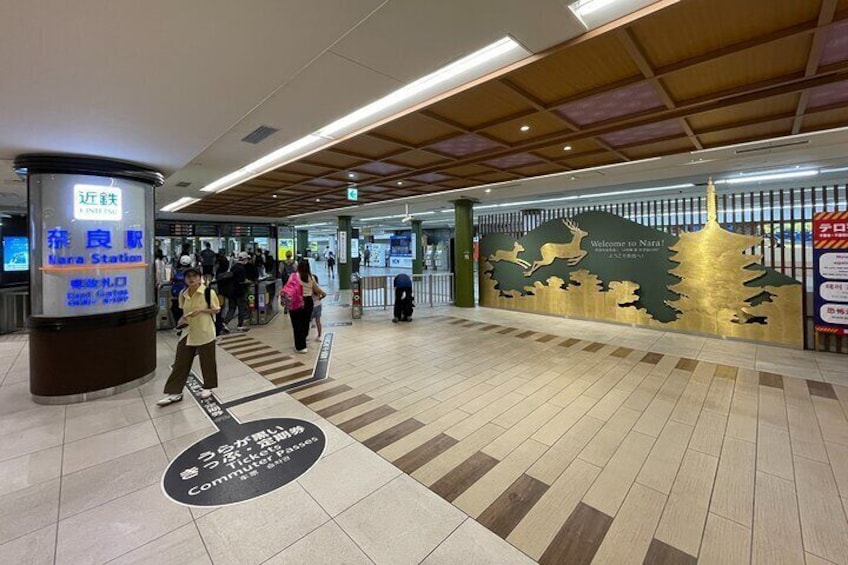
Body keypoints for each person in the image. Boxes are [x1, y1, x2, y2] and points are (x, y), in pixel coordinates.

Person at [157, 267, 221, 406]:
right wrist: (182, 320)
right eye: (188, 277)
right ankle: (175, 392)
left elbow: (216, 309)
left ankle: (208, 386)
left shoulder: (208, 292)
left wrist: (201, 310)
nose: (191, 279)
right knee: (181, 361)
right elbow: (184, 311)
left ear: (200, 278)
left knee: (207, 361)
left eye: (195, 276)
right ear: (185, 279)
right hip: (188, 332)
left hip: (205, 330)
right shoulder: (183, 294)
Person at [287, 260, 326, 354]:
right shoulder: (310, 278)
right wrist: (323, 294)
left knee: (296, 324)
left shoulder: (293, 276)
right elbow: (317, 289)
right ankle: (302, 342)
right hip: (307, 302)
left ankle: (300, 346)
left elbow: (288, 288)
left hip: (296, 301)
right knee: (305, 323)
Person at [221, 252, 251, 332]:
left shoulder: (233, 267)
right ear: (245, 259)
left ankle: (224, 322)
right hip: (239, 292)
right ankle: (240, 324)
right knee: (241, 308)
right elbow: (241, 281)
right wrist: (248, 281)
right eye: (247, 259)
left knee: (232, 308)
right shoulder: (242, 268)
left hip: (231, 292)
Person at [170, 255, 192, 328]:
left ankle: (178, 324)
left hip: (176, 295)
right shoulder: (192, 272)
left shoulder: (176, 270)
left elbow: (171, 280)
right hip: (187, 295)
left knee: (175, 309)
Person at [311, 275, 324, 342]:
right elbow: (323, 294)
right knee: (318, 321)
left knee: (307, 321)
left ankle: (305, 336)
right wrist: (319, 299)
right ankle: (319, 336)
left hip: (310, 306)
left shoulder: (309, 286)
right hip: (318, 305)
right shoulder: (318, 287)